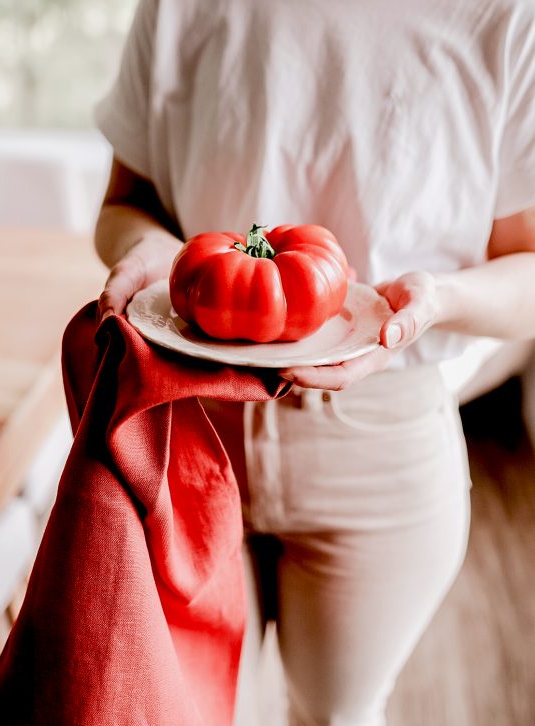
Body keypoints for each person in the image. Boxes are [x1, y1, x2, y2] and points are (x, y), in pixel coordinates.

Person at [93, 1, 535, 724]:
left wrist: (440, 297)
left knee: (337, 715)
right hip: (187, 428)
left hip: (379, 450)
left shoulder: (503, 14)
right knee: (178, 709)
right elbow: (124, 204)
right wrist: (149, 253)